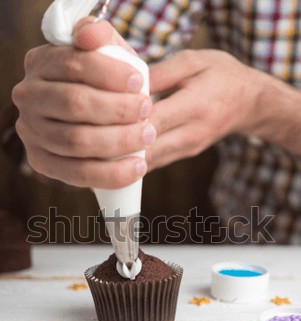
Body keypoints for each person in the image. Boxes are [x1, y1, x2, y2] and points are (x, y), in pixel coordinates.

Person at [12, 1, 301, 243]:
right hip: (252, 246)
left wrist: (262, 105)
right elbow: (124, 57)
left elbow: (260, 104)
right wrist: (80, 107)